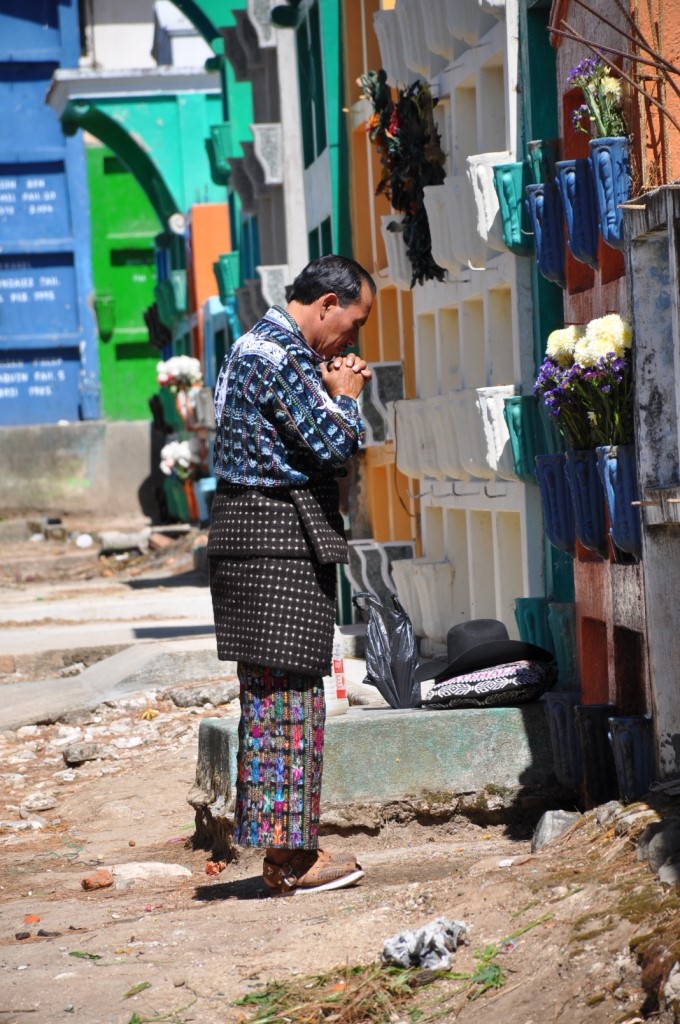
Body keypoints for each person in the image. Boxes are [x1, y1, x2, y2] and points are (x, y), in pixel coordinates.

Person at [207, 254, 375, 895]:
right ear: (327, 304)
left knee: (282, 700)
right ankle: (291, 858)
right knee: (287, 703)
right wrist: (347, 399)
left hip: (261, 541)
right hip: (273, 542)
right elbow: (333, 447)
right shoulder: (279, 355)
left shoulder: (256, 345)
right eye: (353, 323)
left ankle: (287, 853)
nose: (352, 340)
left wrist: (329, 392)